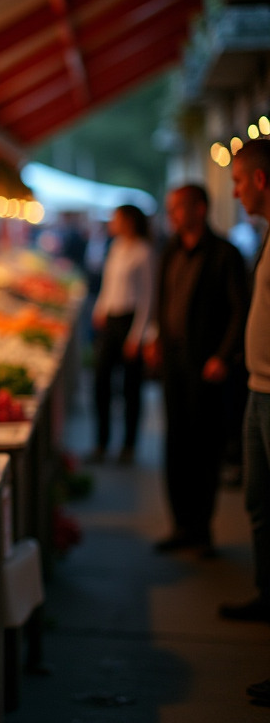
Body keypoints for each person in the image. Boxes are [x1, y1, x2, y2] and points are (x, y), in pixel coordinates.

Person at [147, 184, 248, 556]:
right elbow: (162, 299)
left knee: (205, 446)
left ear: (200, 209)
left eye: (179, 208)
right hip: (174, 361)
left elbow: (241, 309)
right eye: (170, 208)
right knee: (176, 443)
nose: (173, 215)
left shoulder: (225, 254)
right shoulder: (170, 249)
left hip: (206, 365)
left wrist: (224, 354)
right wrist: (155, 336)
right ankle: (181, 525)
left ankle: (203, 528)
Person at [223, 137, 270, 624]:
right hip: (259, 389)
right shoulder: (266, 234)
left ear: (259, 180)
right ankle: (266, 594)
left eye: (237, 181)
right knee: (258, 503)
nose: (234, 193)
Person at [91, 204, 155, 464]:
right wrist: (100, 308)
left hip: (131, 322)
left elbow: (147, 298)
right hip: (111, 319)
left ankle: (129, 445)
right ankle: (102, 443)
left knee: (131, 388)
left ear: (128, 220)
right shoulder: (116, 247)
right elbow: (108, 284)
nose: (112, 223)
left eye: (116, 218)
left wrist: (137, 336)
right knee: (101, 383)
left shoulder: (144, 251)